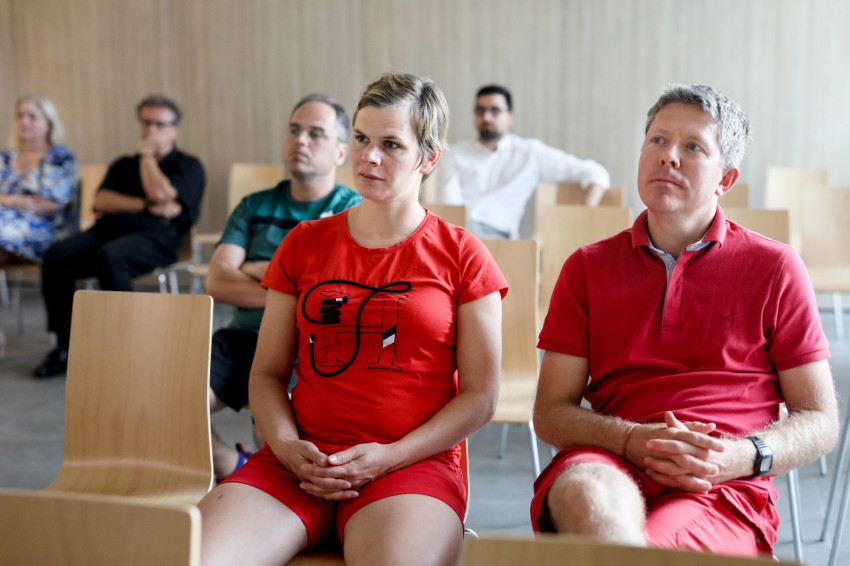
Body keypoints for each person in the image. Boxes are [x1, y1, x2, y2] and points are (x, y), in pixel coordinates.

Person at [198, 72, 507, 566]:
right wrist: (286, 445)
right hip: (302, 463)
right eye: (362, 139)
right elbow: (268, 373)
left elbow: (481, 397)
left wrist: (389, 456)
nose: (369, 157)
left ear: (429, 158)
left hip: (410, 466)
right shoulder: (304, 243)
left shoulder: (463, 255)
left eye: (391, 144)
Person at [530, 84, 839, 557]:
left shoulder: (776, 267)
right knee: (587, 496)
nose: (668, 156)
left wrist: (738, 455)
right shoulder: (586, 267)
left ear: (725, 179)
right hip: (611, 456)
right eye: (657, 140)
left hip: (721, 479)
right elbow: (550, 411)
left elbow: (819, 419)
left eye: (692, 147)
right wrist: (629, 439)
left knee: (652, 548)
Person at [207, 93, 361, 481]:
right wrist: (293, 285)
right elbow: (218, 281)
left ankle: (260, 488)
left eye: (316, 133)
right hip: (244, 337)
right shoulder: (253, 206)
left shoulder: (354, 211)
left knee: (276, 438)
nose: (300, 140)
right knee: (171, 403)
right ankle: (231, 466)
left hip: (310, 345)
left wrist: (255, 268)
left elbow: (334, 295)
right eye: (294, 130)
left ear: (341, 153)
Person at [33, 94, 205, 378]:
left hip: (158, 238)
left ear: (175, 130)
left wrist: (147, 157)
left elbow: (161, 193)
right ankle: (65, 346)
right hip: (108, 230)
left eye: (159, 125)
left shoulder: (188, 165)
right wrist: (147, 206)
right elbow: (101, 201)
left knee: (112, 257)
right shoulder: (124, 164)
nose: (151, 130)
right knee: (56, 255)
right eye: (146, 123)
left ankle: (130, 347)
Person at [436, 84, 610, 239]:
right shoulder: (454, 155)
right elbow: (450, 208)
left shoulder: (529, 153)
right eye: (480, 110)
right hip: (459, 233)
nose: (486, 117)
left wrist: (584, 212)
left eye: (495, 111)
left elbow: (595, 172)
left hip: (501, 238)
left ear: (510, 117)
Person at [0, 94, 77, 266]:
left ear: (49, 123)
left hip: (47, 230)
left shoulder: (58, 156)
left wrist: (5, 201)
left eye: (32, 117)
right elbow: (27, 203)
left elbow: (47, 205)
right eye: (19, 116)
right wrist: (15, 201)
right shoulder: (5, 157)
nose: (24, 122)